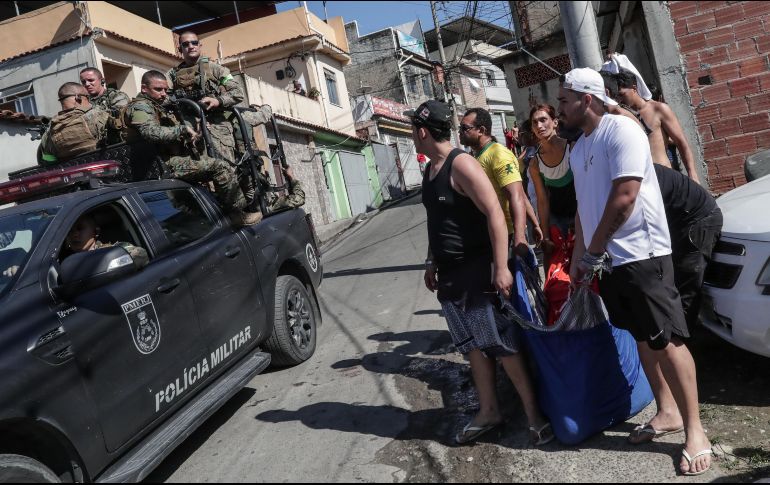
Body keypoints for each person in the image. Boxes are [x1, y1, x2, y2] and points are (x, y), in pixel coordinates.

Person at [559, 67, 712, 476]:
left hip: (642, 254)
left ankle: (695, 430)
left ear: (585, 99)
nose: (560, 107)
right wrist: (579, 256)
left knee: (669, 338)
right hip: (607, 261)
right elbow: (583, 207)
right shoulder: (579, 147)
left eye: (564, 99)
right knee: (641, 335)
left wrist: (592, 252)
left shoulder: (621, 132)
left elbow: (625, 196)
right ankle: (667, 412)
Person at [409, 100, 553, 447]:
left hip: (478, 270)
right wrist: (431, 261)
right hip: (450, 275)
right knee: (472, 345)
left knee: (500, 344)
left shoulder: (463, 165)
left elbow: (493, 213)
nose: (413, 135)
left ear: (423, 131)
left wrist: (501, 267)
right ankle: (489, 410)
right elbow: (437, 223)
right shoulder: (430, 170)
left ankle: (534, 416)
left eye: (414, 129)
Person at [124, 70, 261, 226]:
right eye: (158, 89)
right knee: (219, 167)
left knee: (214, 166)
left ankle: (216, 213)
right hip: (159, 165)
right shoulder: (140, 106)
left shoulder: (156, 106)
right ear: (144, 88)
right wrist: (181, 130)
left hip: (164, 159)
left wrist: (195, 132)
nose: (163, 94)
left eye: (165, 90)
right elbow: (151, 133)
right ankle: (237, 215)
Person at [460, 107, 541, 251]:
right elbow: (521, 194)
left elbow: (516, 195)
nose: (460, 131)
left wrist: (520, 236)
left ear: (481, 130)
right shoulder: (478, 156)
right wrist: (535, 224)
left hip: (507, 235)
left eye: (465, 128)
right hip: (490, 234)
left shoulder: (498, 155)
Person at [168, 31, 244, 165]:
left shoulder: (215, 69)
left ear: (199, 45)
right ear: (180, 49)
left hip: (216, 126)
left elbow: (238, 93)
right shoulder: (172, 74)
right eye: (186, 44)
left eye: (194, 43)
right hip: (189, 128)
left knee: (226, 169)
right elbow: (161, 95)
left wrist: (218, 101)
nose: (191, 46)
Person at [612, 68, 700, 183]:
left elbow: (681, 142)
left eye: (622, 94)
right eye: (617, 97)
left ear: (634, 88)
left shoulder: (658, 109)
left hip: (665, 176)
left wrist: (692, 174)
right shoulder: (622, 116)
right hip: (643, 181)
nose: (620, 100)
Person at [527, 104, 577, 270]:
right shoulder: (535, 163)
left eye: (543, 120)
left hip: (580, 215)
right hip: (557, 218)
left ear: (555, 122)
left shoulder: (572, 148)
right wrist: (546, 235)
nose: (539, 126)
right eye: (535, 123)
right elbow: (542, 200)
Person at [38, 83, 116, 166]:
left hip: (73, 175)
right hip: (103, 169)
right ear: (78, 97)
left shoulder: (50, 131)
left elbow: (47, 159)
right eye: (87, 97)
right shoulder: (98, 115)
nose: (90, 101)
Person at [62, 213, 148, 268]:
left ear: (96, 232)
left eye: (80, 228)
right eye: (70, 230)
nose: (74, 234)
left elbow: (141, 254)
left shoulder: (112, 250)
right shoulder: (61, 261)